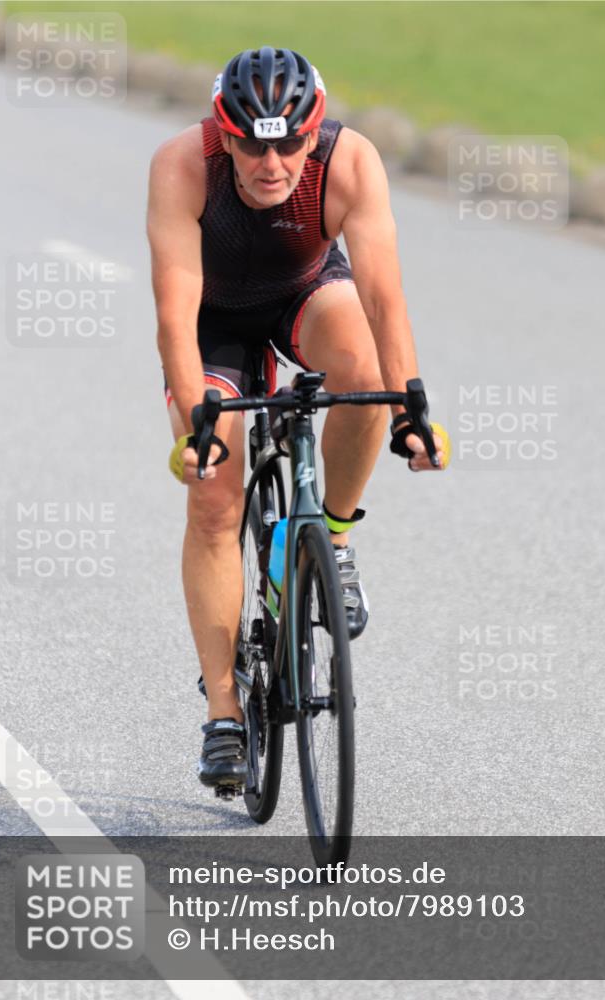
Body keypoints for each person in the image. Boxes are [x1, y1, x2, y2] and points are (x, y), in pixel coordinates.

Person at [147, 46, 447, 790]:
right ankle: (223, 711)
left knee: (366, 376)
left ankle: (330, 540)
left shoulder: (351, 163)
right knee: (215, 499)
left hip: (304, 295)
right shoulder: (182, 165)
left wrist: (410, 403)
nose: (272, 162)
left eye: (290, 142)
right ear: (224, 133)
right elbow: (175, 320)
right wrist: (198, 429)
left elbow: (384, 299)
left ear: (314, 132)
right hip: (214, 324)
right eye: (252, 143)